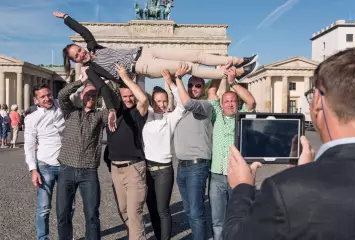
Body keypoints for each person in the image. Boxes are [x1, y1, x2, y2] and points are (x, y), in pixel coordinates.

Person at [222, 47, 355, 240]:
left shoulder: (286, 190)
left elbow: (236, 236)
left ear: (318, 101)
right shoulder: (295, 185)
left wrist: (242, 188)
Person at [53, 12, 259, 84]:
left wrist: (66, 19)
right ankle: (233, 73)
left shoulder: (92, 46)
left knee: (195, 54)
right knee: (188, 66)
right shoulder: (91, 70)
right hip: (142, 66)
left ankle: (237, 60)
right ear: (76, 61)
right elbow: (107, 87)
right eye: (77, 56)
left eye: (78, 50)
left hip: (147, 49)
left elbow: (83, 31)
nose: (81, 53)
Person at [56, 72, 118, 240]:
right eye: (88, 94)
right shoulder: (70, 112)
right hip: (66, 170)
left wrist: (105, 85)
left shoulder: (100, 115)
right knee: (63, 214)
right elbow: (62, 95)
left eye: (94, 94)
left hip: (88, 173)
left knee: (92, 215)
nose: (91, 97)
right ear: (82, 95)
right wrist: (81, 81)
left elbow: (115, 106)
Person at [173, 63, 223, 240]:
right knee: (189, 211)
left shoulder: (205, 106)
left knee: (195, 212)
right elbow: (180, 99)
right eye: (190, 85)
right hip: (182, 167)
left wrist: (178, 77)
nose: (193, 88)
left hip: (197, 166)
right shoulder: (180, 109)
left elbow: (187, 102)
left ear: (203, 89)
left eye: (198, 85)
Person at [207, 67, 256, 240]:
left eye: (233, 101)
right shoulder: (215, 114)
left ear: (237, 103)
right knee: (218, 220)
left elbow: (251, 101)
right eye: (226, 101)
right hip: (217, 175)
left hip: (237, 174)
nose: (229, 103)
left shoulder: (243, 116)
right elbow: (212, 91)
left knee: (239, 216)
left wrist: (232, 82)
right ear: (221, 104)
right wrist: (219, 71)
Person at [106, 64, 149, 240]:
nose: (129, 98)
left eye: (131, 95)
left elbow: (144, 100)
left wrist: (125, 78)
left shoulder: (139, 112)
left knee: (134, 212)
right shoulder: (112, 113)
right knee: (124, 211)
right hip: (116, 169)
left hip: (134, 168)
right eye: (125, 96)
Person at [142, 69, 185, 240]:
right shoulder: (146, 116)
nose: (162, 104)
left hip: (164, 170)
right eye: (158, 101)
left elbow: (182, 104)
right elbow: (139, 96)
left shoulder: (171, 118)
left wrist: (171, 82)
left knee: (163, 209)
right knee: (151, 208)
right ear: (153, 101)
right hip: (146, 169)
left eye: (164, 101)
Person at [24, 84, 67, 240]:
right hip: (45, 165)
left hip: (66, 164)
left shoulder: (61, 106)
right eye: (42, 97)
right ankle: (42, 238)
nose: (47, 98)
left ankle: (66, 236)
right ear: (36, 100)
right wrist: (32, 169)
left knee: (68, 207)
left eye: (48, 95)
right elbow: (29, 145)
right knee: (43, 208)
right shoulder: (32, 118)